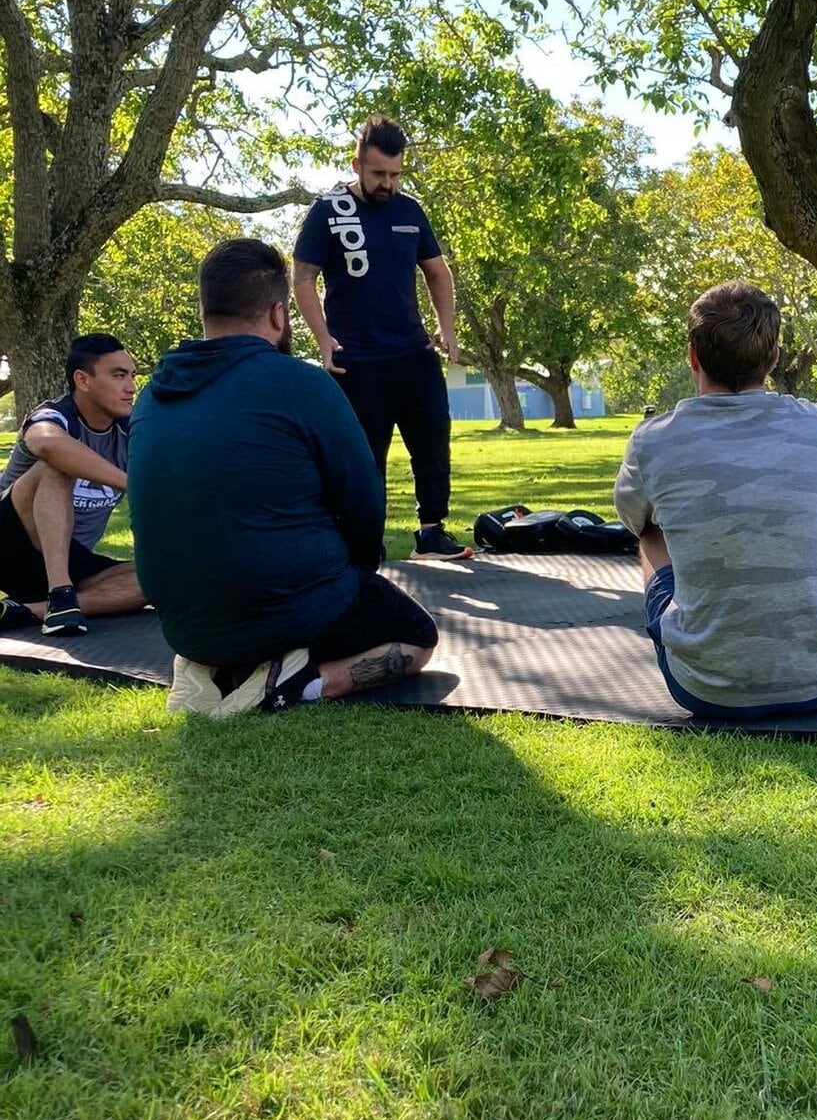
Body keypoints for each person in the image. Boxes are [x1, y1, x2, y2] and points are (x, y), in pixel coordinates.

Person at [128, 238, 438, 716]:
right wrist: (356, 572)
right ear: (278, 314)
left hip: (185, 626)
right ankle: (297, 683)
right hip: (285, 609)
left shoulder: (151, 395)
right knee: (416, 637)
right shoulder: (302, 383)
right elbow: (363, 499)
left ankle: (214, 668)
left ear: (205, 310)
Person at [613, 280, 817, 717]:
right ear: (774, 357)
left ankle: (713, 645)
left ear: (693, 356)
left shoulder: (653, 440)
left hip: (706, 689)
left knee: (652, 529)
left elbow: (633, 518)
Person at [292, 113, 471, 560]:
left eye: (395, 174)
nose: (388, 183)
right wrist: (322, 338)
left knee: (432, 445)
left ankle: (432, 534)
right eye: (378, 174)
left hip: (413, 353)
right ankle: (363, 545)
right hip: (356, 361)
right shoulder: (329, 211)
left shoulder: (410, 211)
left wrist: (446, 327)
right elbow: (303, 278)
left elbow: (437, 272)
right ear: (356, 165)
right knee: (364, 460)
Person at [0, 334, 146, 636]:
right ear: (83, 380)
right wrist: (132, 483)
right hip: (9, 542)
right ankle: (60, 594)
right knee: (56, 465)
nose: (131, 387)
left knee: (163, 576)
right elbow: (48, 444)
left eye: (132, 376)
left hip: (71, 560)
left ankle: (27, 611)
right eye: (119, 375)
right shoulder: (55, 415)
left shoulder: (132, 431)